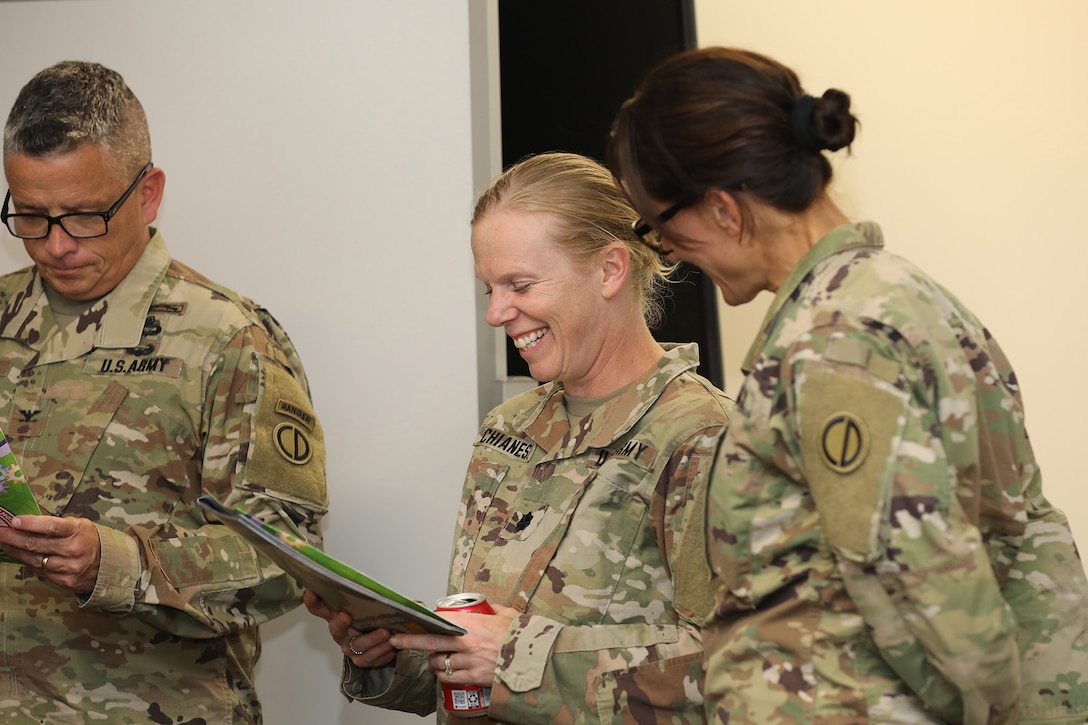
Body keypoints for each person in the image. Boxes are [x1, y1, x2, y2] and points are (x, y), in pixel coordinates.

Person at [607, 46, 1088, 725]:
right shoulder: (897, 295)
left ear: (722, 209)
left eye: (662, 227)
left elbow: (929, 585)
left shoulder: (832, 340)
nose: (670, 251)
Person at [305, 151, 732, 723]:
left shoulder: (703, 436)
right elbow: (474, 678)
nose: (497, 313)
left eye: (520, 285)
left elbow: (738, 666)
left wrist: (514, 657)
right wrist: (389, 652)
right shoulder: (509, 429)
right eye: (489, 289)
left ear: (609, 270)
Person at [0, 60, 328, 723]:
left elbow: (290, 557)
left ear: (148, 194)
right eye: (31, 216)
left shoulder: (229, 338)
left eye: (85, 216)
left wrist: (117, 563)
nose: (56, 244)